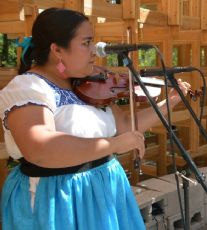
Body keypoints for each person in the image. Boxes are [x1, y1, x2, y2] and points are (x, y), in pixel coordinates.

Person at [0, 8, 190, 230]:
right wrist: (115, 145)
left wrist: (170, 102)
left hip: (103, 190)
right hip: (57, 197)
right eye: (86, 43)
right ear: (57, 50)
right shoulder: (28, 87)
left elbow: (126, 126)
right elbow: (40, 149)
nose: (95, 52)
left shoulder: (88, 86)